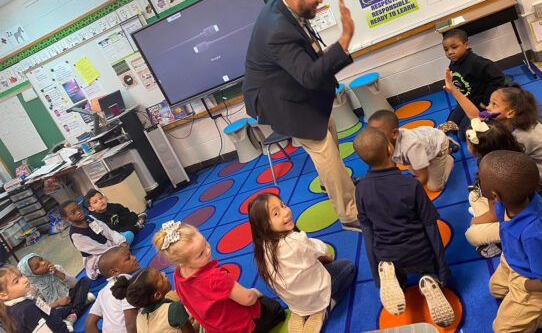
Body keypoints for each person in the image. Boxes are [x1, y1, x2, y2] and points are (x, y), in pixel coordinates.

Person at [243, 0, 360, 231]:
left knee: (328, 126)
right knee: (325, 148)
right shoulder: (277, 29)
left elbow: (303, 63)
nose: (320, 0)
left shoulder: (282, 6)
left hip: (289, 85)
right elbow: (308, 76)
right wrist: (344, 40)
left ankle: (329, 183)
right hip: (279, 100)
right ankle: (349, 214)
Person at [352, 127, 454, 327]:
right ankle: (430, 280)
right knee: (429, 269)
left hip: (386, 255)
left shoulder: (361, 189)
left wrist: (377, 277)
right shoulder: (410, 185)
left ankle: (393, 280)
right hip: (419, 253)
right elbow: (431, 229)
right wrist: (443, 271)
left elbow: (367, 234)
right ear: (390, 149)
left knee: (393, 272)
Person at [478, 151, 542, 331]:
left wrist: (521, 284)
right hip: (514, 260)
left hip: (539, 280)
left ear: (496, 195)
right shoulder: (511, 201)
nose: (478, 182)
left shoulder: (534, 234)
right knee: (496, 289)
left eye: (480, 179)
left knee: (502, 329)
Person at [248, 193, 356, 333]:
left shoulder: (263, 249)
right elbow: (321, 249)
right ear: (265, 225)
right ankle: (326, 306)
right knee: (348, 267)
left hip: (294, 302)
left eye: (283, 205)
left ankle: (301, 311)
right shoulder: (294, 240)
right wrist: (325, 258)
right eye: (276, 213)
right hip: (316, 293)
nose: (286, 212)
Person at [153, 221, 285, 333]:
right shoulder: (215, 277)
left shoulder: (178, 275)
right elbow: (248, 299)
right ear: (181, 262)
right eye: (200, 254)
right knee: (275, 308)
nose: (208, 250)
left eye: (205, 243)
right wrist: (255, 292)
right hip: (240, 327)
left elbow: (187, 299)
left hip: (216, 328)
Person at [444, 71, 542, 191]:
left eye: (494, 104)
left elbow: (504, 163)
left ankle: (537, 189)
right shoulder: (510, 121)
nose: (488, 107)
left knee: (494, 168)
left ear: (510, 112)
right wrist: (454, 90)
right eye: (490, 103)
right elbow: (476, 118)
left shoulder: (520, 137)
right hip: (541, 169)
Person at [463, 119, 525, 258]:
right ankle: (487, 226)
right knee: (474, 195)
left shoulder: (490, 173)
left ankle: (499, 243)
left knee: (471, 234)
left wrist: (476, 221)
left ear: (477, 148)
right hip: (508, 209)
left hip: (515, 221)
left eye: (468, 143)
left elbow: (494, 214)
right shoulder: (512, 155)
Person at [438, 28, 504, 141]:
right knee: (450, 128)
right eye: (446, 49)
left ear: (466, 45)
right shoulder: (454, 62)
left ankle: (490, 117)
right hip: (465, 102)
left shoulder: (475, 62)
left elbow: (498, 77)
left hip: (479, 105)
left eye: (454, 47)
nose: (450, 52)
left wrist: (486, 102)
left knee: (463, 135)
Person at [368, 109, 457, 192]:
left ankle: (448, 152)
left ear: (394, 133)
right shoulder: (384, 142)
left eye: (378, 135)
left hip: (438, 147)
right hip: (425, 139)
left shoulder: (411, 146)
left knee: (434, 187)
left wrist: (406, 191)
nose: (373, 139)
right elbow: (390, 164)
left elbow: (423, 176)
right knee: (413, 171)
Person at [17, 253, 95, 329]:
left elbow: (74, 284)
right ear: (31, 275)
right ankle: (80, 304)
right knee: (50, 317)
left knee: (85, 280)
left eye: (41, 259)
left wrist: (58, 274)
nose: (43, 263)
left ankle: (72, 314)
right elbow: (40, 309)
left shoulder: (57, 268)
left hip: (69, 296)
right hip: (56, 308)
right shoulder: (33, 288)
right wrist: (57, 303)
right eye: (37, 266)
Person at [111, 267, 198, 333]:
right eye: (161, 277)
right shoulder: (174, 309)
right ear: (157, 295)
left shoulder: (140, 317)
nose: (164, 274)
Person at [59, 200, 127, 280]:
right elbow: (96, 248)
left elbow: (105, 231)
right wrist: (117, 251)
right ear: (66, 219)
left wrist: (121, 242)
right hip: (97, 256)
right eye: (73, 213)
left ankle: (118, 256)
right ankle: (101, 270)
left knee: (128, 235)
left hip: (108, 246)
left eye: (79, 209)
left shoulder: (89, 219)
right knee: (111, 261)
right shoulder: (76, 235)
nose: (79, 212)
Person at [84, 246, 140, 333]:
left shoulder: (102, 292)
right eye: (128, 258)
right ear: (115, 272)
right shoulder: (128, 285)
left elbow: (89, 325)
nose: (134, 257)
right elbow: (131, 324)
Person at [0, 265, 69, 333]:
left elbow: (48, 312)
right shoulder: (26, 308)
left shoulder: (8, 306)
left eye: (21, 275)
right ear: (3, 295)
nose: (24, 279)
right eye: (16, 282)